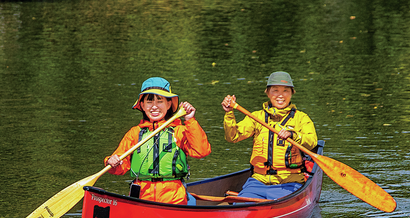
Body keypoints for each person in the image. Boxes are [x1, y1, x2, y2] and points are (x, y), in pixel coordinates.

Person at [105, 77, 211, 205]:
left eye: (159, 101)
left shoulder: (179, 131)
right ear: (142, 105)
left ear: (169, 104)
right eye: (149, 101)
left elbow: (202, 151)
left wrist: (190, 120)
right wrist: (111, 162)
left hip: (173, 198)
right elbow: (119, 169)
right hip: (141, 197)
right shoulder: (134, 133)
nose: (154, 106)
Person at [220, 70, 318, 201]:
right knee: (240, 205)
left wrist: (293, 135)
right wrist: (229, 113)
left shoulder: (301, 118)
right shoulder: (256, 117)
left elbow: (312, 142)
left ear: (292, 93)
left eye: (285, 91)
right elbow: (233, 137)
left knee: (278, 204)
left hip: (289, 183)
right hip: (257, 182)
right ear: (267, 92)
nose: (280, 95)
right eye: (275, 90)